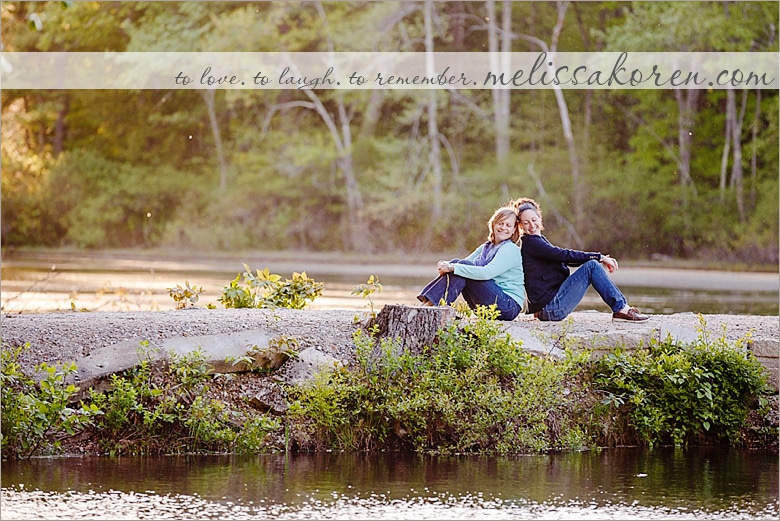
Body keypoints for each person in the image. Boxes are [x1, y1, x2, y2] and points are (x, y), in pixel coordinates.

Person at [512, 197, 649, 322]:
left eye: (534, 220)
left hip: (549, 307)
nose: (531, 225)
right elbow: (564, 255)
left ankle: (622, 308)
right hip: (551, 309)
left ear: (539, 217)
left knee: (592, 265)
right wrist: (599, 257)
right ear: (520, 226)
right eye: (526, 222)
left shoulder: (537, 241)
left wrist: (597, 258)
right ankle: (621, 309)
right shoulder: (532, 244)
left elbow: (564, 259)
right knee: (592, 266)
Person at [417, 206, 525, 321]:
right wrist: (447, 265)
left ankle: (430, 306)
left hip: (507, 306)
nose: (503, 227)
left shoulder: (510, 249)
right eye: (500, 223)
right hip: (488, 303)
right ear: (493, 224)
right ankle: (430, 305)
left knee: (458, 268)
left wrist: (451, 267)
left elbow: (486, 273)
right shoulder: (487, 246)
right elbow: (465, 263)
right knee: (459, 267)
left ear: (514, 230)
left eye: (508, 225)